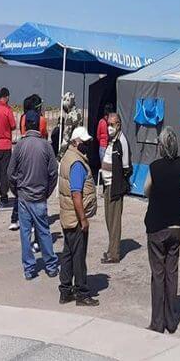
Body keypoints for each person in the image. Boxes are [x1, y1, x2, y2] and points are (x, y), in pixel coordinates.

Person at [143, 126, 180, 333]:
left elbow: (146, 189)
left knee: (158, 275)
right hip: (176, 226)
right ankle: (171, 321)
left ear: (161, 146)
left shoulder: (154, 167)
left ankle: (157, 322)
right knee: (172, 273)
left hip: (157, 226)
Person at [7, 110, 59, 280]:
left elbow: (10, 173)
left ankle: (29, 269)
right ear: (39, 125)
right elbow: (53, 173)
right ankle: (51, 266)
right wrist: (47, 192)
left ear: (25, 125)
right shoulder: (46, 146)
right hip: (39, 197)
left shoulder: (20, 146)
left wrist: (17, 190)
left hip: (24, 197)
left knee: (25, 234)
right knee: (44, 231)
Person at [58, 126, 99, 306]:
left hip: (67, 215)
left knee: (67, 253)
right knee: (78, 255)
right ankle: (82, 292)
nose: (87, 144)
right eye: (84, 142)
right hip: (75, 217)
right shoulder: (77, 164)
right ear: (75, 142)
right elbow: (76, 193)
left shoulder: (68, 157)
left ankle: (65, 290)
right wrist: (83, 219)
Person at [12, 94, 48, 232]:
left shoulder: (23, 118)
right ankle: (33, 221)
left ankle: (16, 218)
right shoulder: (41, 120)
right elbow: (44, 134)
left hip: (23, 150)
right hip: (37, 151)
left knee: (21, 185)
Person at [101, 112, 131, 264]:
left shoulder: (121, 141)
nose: (109, 128)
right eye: (108, 125)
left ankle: (114, 253)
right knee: (108, 218)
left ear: (118, 125)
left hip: (115, 185)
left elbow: (126, 166)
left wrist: (119, 180)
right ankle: (111, 248)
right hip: (107, 184)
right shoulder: (112, 140)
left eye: (112, 125)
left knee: (114, 220)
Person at [58, 91, 83, 160]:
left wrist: (59, 156)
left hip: (72, 148)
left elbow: (66, 138)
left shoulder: (70, 116)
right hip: (79, 146)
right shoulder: (79, 112)